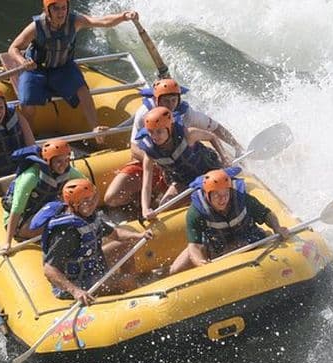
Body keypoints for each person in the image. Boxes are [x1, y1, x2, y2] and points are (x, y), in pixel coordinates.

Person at [8, 0, 138, 135]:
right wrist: (23, 62)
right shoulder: (36, 27)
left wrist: (123, 16)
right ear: (47, 10)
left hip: (63, 67)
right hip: (36, 69)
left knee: (82, 90)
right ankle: (26, 138)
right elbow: (14, 48)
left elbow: (101, 21)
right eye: (56, 9)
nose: (61, 12)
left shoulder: (75, 21)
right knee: (27, 103)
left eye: (64, 8)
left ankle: (95, 128)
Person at [103, 77, 244, 208]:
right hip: (162, 164)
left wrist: (235, 147)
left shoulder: (187, 126)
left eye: (173, 100)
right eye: (166, 101)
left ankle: (188, 198)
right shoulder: (144, 116)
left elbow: (215, 130)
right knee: (112, 198)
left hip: (184, 167)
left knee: (167, 200)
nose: (170, 105)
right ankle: (141, 203)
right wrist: (161, 162)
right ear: (156, 100)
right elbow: (135, 148)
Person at [32, 178, 152, 305]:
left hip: (93, 267)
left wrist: (138, 235)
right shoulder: (67, 233)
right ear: (74, 204)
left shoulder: (89, 216)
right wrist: (75, 291)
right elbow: (49, 269)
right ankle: (130, 295)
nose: (92, 203)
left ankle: (124, 289)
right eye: (86, 201)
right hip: (78, 282)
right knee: (126, 281)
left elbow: (115, 233)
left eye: (93, 198)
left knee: (125, 245)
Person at [169, 169, 290, 275]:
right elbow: (194, 246)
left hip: (248, 238)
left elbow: (266, 214)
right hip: (216, 244)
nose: (222, 199)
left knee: (235, 248)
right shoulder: (196, 212)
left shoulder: (242, 198)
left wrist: (277, 228)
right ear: (207, 195)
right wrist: (200, 263)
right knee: (175, 269)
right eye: (217, 195)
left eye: (225, 194)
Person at [137, 107, 231, 221]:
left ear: (169, 128)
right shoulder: (150, 152)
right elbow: (146, 185)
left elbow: (212, 137)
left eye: (159, 131)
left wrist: (224, 156)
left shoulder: (189, 134)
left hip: (208, 173)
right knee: (163, 208)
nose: (155, 137)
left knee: (214, 200)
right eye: (151, 132)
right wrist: (145, 209)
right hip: (183, 180)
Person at [1, 138, 85, 252]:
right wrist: (7, 243)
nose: (63, 165)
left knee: (70, 208)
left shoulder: (67, 171)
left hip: (42, 211)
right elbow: (16, 210)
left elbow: (87, 186)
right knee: (62, 213)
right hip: (20, 223)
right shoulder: (30, 177)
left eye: (66, 160)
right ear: (48, 161)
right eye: (59, 161)